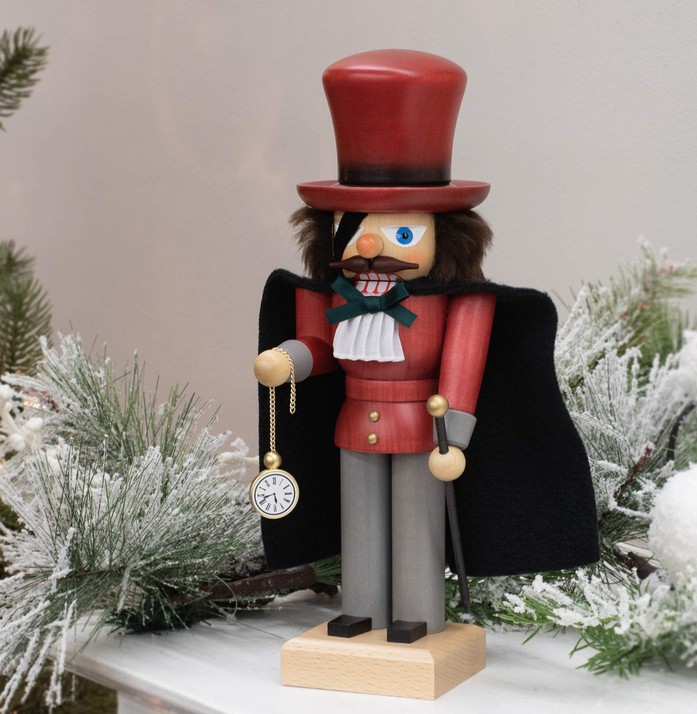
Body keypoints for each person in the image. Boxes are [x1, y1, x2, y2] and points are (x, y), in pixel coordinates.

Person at [254, 50, 598, 644]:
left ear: (448, 236)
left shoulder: (464, 303)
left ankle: (416, 612)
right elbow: (320, 346)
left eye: (402, 231)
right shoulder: (328, 292)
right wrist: (287, 360)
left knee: (416, 522)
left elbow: (462, 370)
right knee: (361, 519)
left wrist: (455, 439)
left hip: (423, 428)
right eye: (353, 228)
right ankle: (361, 607)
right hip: (352, 420)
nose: (369, 246)